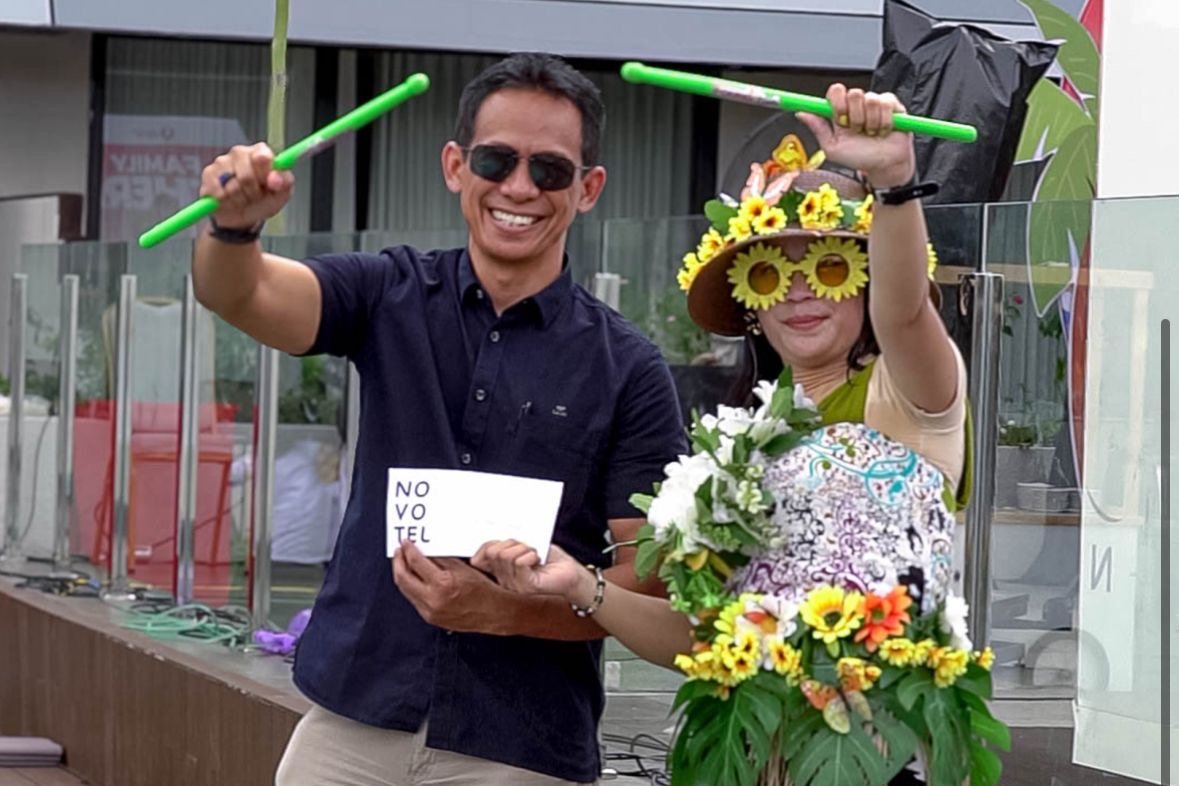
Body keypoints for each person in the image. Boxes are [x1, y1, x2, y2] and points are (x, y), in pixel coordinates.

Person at [191, 52, 688, 786]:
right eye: (496, 160)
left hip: (522, 741)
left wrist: (506, 611)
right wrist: (233, 230)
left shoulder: (629, 368)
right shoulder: (389, 291)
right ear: (456, 166)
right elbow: (241, 295)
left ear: (588, 189)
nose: (519, 187)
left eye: (550, 170)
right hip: (354, 716)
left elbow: (646, 586)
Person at [474, 85, 973, 785]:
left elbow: (904, 312)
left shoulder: (907, 392)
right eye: (769, 273)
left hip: (877, 765)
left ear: (865, 280)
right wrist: (583, 586)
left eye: (829, 266)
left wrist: (892, 182)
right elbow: (703, 639)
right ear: (749, 304)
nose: (798, 291)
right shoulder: (740, 443)